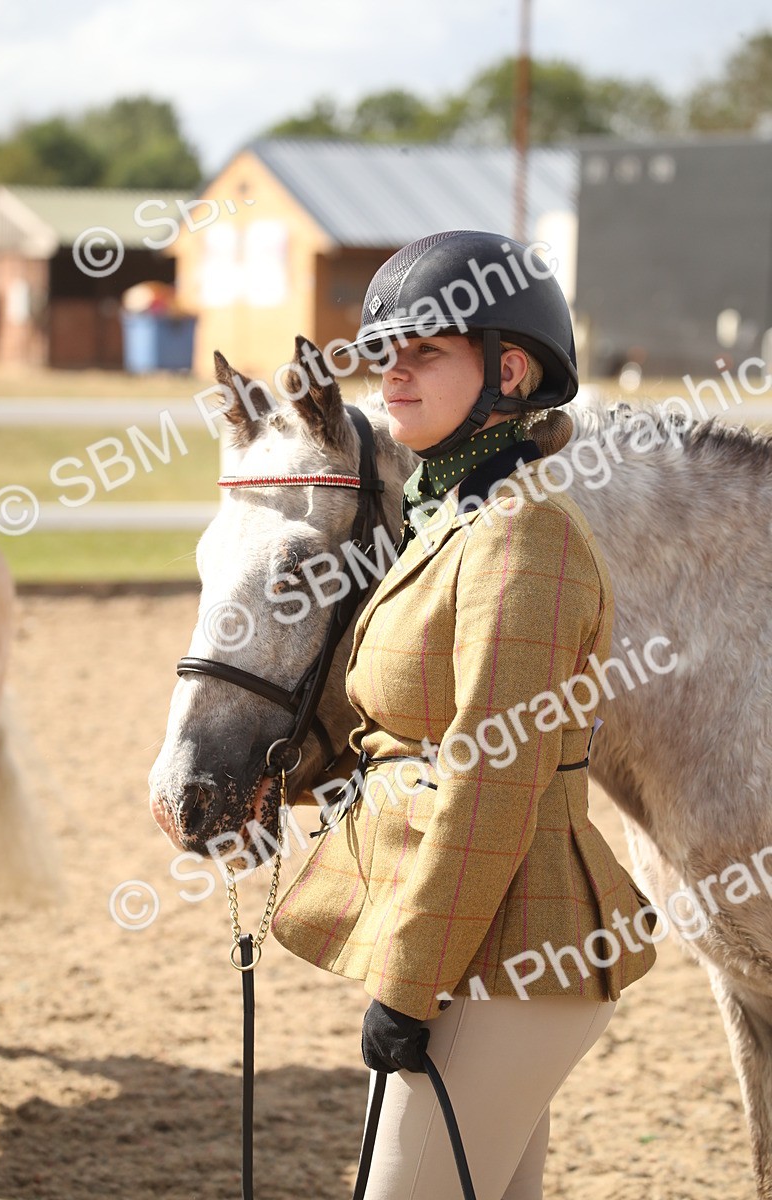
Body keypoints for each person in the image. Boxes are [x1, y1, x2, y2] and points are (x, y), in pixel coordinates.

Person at [271, 230, 656, 1200]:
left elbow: (489, 781)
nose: (388, 376)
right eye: (382, 354)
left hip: (509, 949)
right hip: (463, 934)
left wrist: (405, 986)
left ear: (509, 372)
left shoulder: (521, 539)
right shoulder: (453, 516)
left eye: (424, 352)